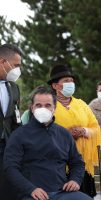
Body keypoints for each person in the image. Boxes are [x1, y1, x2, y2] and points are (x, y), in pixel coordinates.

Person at [3, 86, 93, 200]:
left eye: (48, 105)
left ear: (54, 108)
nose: (43, 109)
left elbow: (77, 163)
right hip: (32, 195)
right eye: (38, 105)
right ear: (32, 108)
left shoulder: (64, 134)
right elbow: (10, 168)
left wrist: (75, 180)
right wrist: (30, 189)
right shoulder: (18, 135)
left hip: (63, 193)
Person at [48, 64, 101, 197]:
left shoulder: (82, 105)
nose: (70, 84)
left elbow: (96, 128)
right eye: (66, 81)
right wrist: (67, 134)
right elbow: (42, 131)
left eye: (71, 81)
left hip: (81, 165)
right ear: (54, 86)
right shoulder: (48, 105)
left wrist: (83, 131)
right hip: (57, 165)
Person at [0, 44, 23, 200]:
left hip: (6, 149)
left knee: (8, 191)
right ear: (3, 62)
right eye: (16, 65)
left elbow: (16, 120)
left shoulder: (14, 88)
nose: (18, 70)